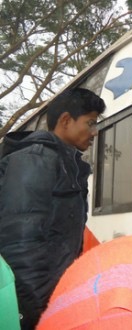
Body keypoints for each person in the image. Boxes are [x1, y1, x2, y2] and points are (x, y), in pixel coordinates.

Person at [0, 88, 105, 329]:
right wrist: (37, 310)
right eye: (90, 123)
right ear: (66, 120)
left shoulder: (65, 162)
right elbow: (20, 243)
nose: (94, 132)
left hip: (55, 295)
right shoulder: (35, 160)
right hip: (36, 305)